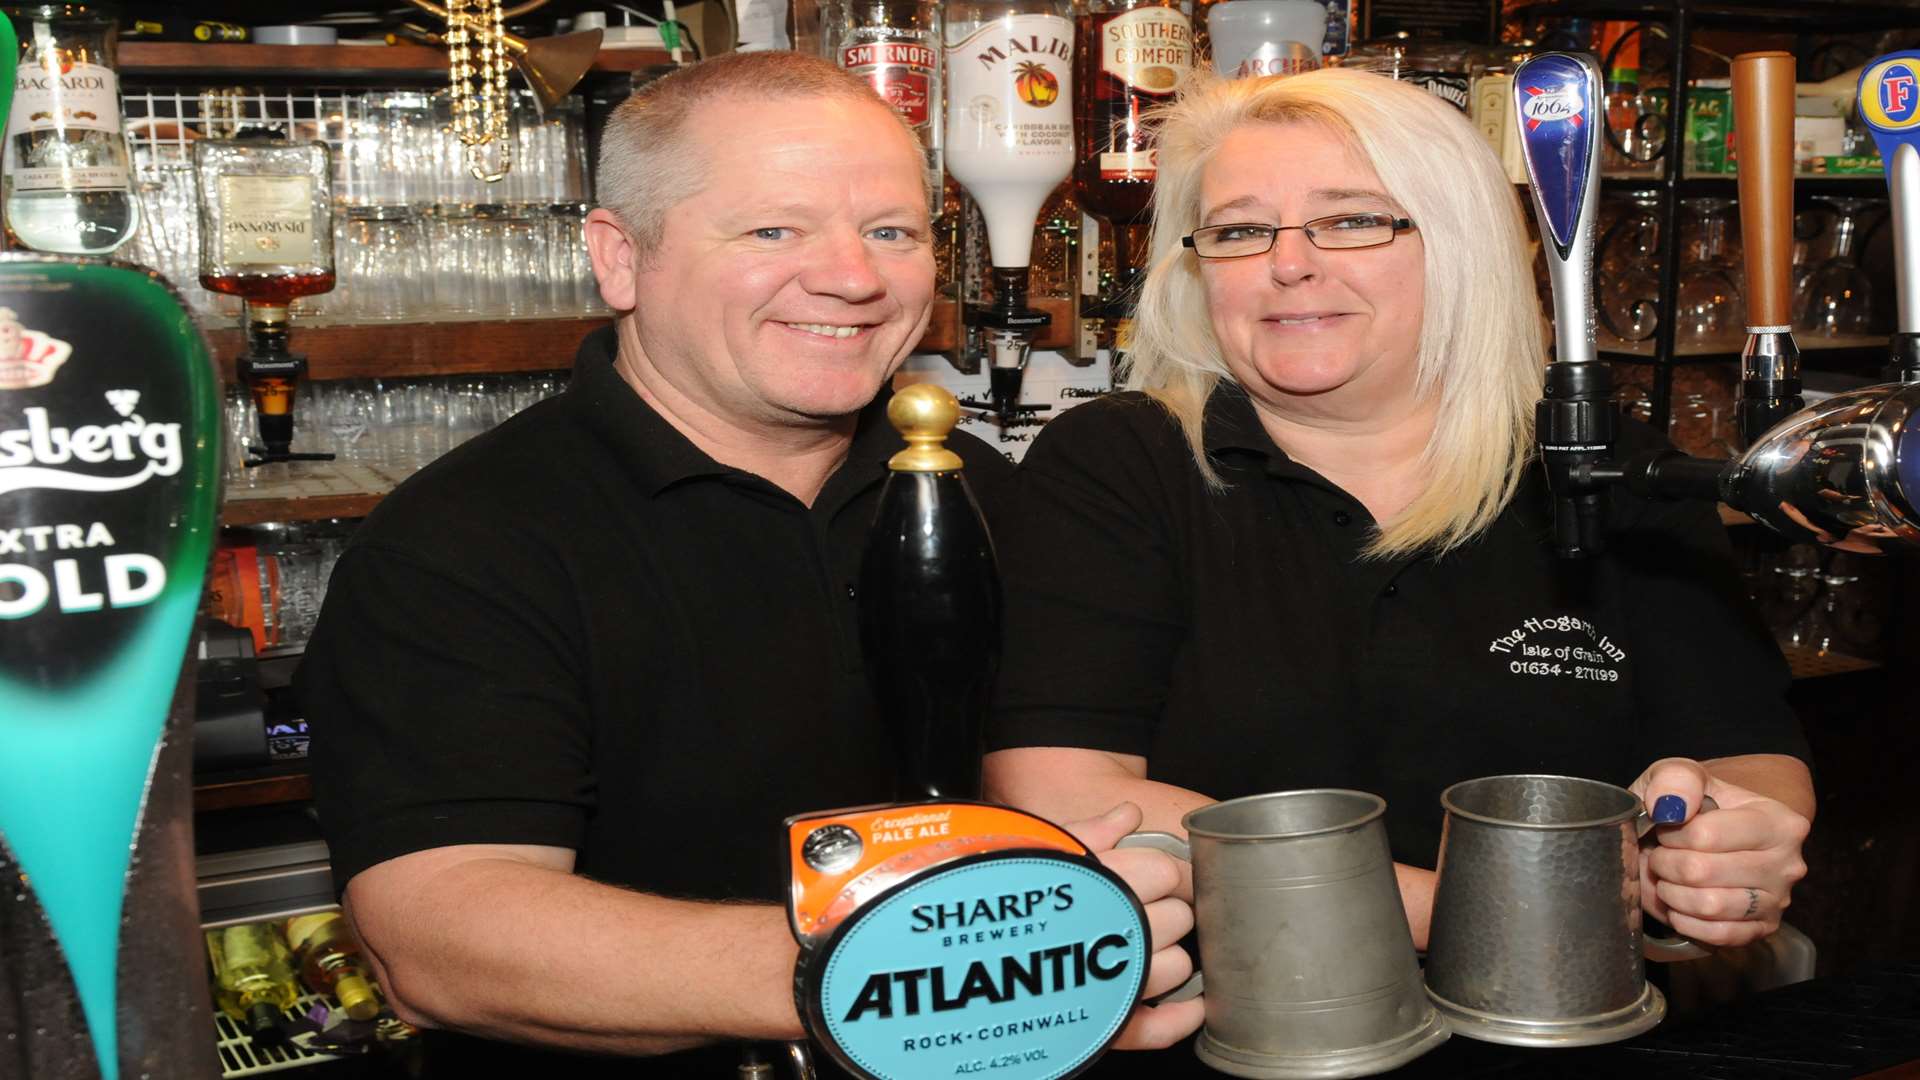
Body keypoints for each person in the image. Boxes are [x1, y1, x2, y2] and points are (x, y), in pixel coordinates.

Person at [298, 52, 1201, 1077]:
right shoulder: (467, 539)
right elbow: (441, 938)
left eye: (891, 232)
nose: (853, 277)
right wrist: (931, 979)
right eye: (773, 229)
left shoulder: (978, 493)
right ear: (619, 257)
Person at [982, 68, 1814, 957]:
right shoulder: (1123, 461)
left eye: (1350, 219)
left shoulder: (1602, 460)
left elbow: (1747, 750)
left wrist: (1727, 844)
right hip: (1246, 1027)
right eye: (1238, 230)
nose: (1288, 261)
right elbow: (1059, 794)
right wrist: (1512, 911)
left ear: (1463, 245)